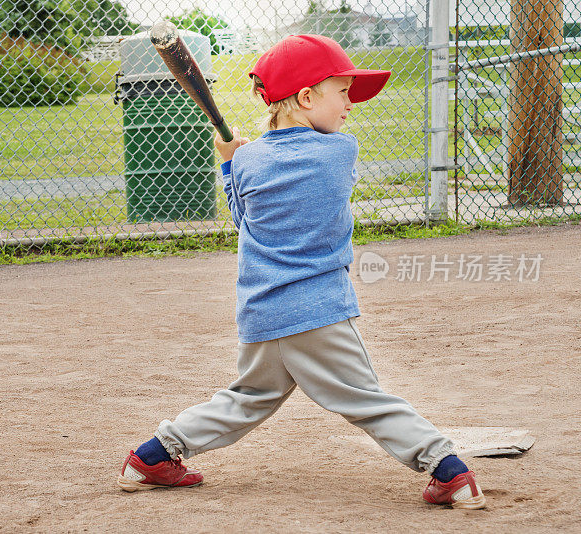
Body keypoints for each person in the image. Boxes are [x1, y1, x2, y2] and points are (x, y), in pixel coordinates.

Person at [116, 34, 486, 509]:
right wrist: (239, 161)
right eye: (342, 92)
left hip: (261, 314)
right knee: (363, 397)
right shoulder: (340, 151)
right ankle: (448, 469)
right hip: (316, 313)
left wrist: (230, 165)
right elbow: (300, 175)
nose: (350, 105)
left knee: (248, 397)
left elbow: (242, 221)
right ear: (307, 97)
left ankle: (152, 455)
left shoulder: (249, 160)